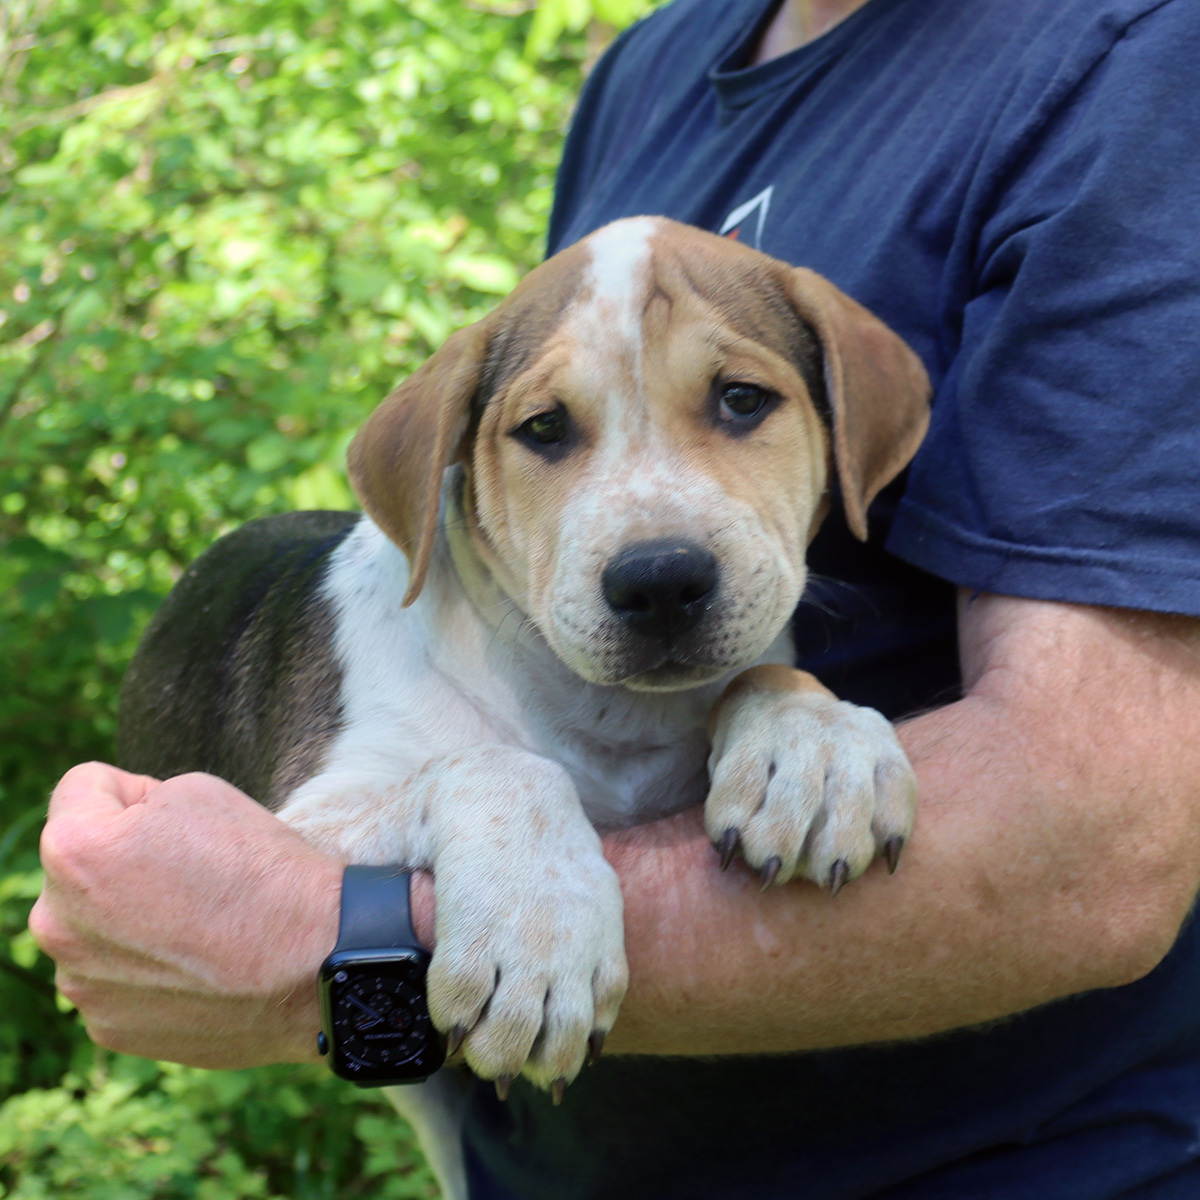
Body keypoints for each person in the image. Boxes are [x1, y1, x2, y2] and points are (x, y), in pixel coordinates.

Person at [30, 0, 1200, 1195]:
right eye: (549, 429)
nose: (652, 540)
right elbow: (284, 868)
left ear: (851, 424)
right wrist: (477, 813)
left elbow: (1097, 843)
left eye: (740, 401)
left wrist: (780, 699)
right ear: (451, 469)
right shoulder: (652, 67)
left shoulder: (1126, 65)